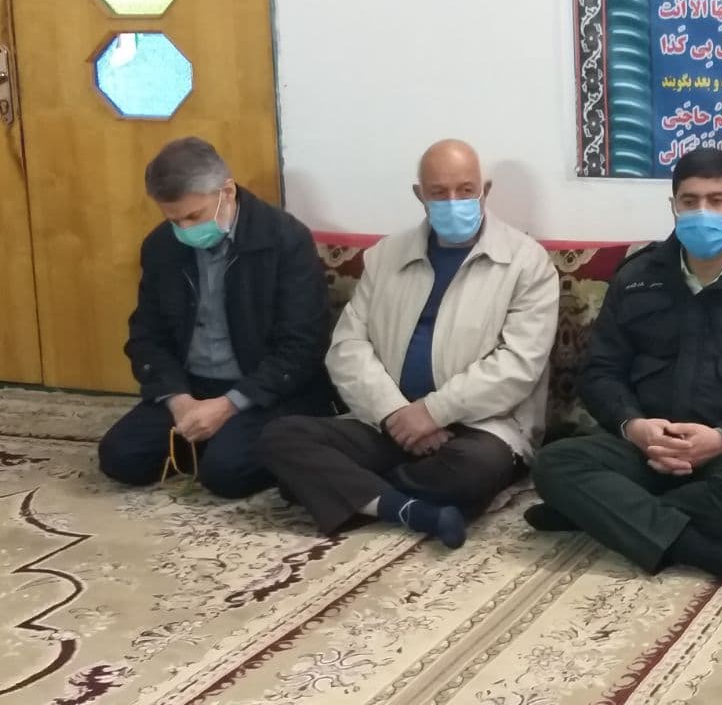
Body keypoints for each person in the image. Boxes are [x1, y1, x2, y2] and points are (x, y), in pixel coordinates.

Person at [527, 147, 722, 594]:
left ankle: (600, 511)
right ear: (673, 205)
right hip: (642, 445)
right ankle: (698, 548)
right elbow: (600, 372)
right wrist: (634, 426)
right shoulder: (637, 277)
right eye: (690, 201)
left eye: (716, 200)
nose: (702, 212)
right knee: (554, 464)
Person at [256, 139, 559, 547]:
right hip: (389, 422)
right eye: (439, 192)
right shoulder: (386, 256)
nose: (453, 201)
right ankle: (408, 508)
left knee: (471, 473)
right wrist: (395, 412)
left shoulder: (527, 262)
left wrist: (434, 411)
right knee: (281, 436)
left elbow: (517, 365)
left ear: (485, 190)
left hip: (479, 429)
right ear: (420, 195)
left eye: (466, 190)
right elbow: (347, 347)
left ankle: (344, 489)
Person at [98, 137, 332, 498]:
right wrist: (179, 401)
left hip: (267, 390)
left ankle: (224, 443)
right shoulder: (161, 246)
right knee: (120, 457)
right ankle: (209, 437)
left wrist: (228, 406)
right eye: (174, 219)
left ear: (227, 191)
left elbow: (302, 346)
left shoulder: (285, 240)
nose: (185, 229)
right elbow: (146, 335)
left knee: (226, 474)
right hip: (192, 387)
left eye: (194, 216)